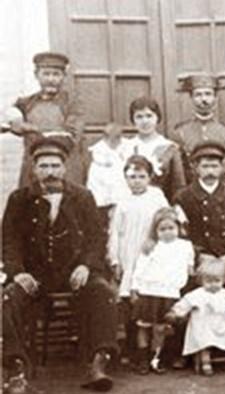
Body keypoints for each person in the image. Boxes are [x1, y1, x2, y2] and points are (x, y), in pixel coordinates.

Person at [2, 138, 118, 392]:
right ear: (34, 169)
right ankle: (17, 369)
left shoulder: (83, 197)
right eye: (43, 166)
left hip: (75, 271)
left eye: (55, 165)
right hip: (35, 274)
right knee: (8, 299)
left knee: (103, 294)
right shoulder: (20, 199)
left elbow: (97, 239)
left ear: (65, 168)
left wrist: (86, 266)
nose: (50, 172)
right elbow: (8, 241)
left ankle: (98, 363)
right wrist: (18, 272)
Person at [173, 141, 225, 304]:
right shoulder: (183, 198)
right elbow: (180, 236)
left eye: (214, 166)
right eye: (205, 166)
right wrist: (200, 255)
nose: (210, 171)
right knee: (187, 286)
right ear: (195, 168)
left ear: (222, 168)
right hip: (198, 258)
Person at [130, 207, 195, 374]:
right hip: (149, 290)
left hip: (169, 292)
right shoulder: (151, 246)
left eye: (171, 228)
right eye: (162, 229)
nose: (167, 233)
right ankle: (142, 359)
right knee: (144, 326)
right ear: (156, 230)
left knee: (161, 328)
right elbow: (140, 268)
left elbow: (189, 267)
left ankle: (155, 358)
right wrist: (134, 288)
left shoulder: (185, 246)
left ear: (179, 229)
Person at [10, 52, 86, 187]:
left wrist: (31, 128)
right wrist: (12, 120)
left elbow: (71, 135)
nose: (51, 79)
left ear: (64, 76)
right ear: (36, 75)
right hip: (33, 167)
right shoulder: (26, 103)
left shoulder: (72, 103)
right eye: (46, 74)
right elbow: (7, 122)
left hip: (65, 166)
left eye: (56, 74)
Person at [171, 73, 225, 198]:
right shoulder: (180, 134)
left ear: (215, 98)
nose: (204, 99)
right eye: (198, 94)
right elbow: (177, 179)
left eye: (208, 94)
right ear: (191, 98)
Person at [165, 260, 225, 376]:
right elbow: (185, 304)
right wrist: (176, 312)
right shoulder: (197, 294)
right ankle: (206, 363)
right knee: (205, 342)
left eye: (217, 281)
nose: (213, 285)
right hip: (205, 327)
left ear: (224, 280)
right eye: (208, 281)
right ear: (201, 281)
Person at [108, 155, 169, 300]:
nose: (137, 181)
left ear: (150, 178)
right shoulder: (122, 199)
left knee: (150, 284)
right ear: (126, 178)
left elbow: (167, 218)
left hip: (151, 246)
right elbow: (115, 231)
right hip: (128, 248)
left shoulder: (157, 196)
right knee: (129, 284)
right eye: (132, 177)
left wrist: (157, 240)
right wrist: (114, 259)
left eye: (142, 177)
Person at [129, 96, 186, 201]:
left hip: (161, 208)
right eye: (139, 117)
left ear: (157, 118)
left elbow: (178, 186)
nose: (145, 121)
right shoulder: (126, 147)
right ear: (133, 120)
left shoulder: (170, 148)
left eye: (149, 116)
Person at [86, 123, 133, 227]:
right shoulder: (98, 150)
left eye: (117, 138)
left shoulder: (128, 147)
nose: (114, 143)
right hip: (103, 191)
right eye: (110, 139)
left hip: (123, 191)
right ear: (105, 137)